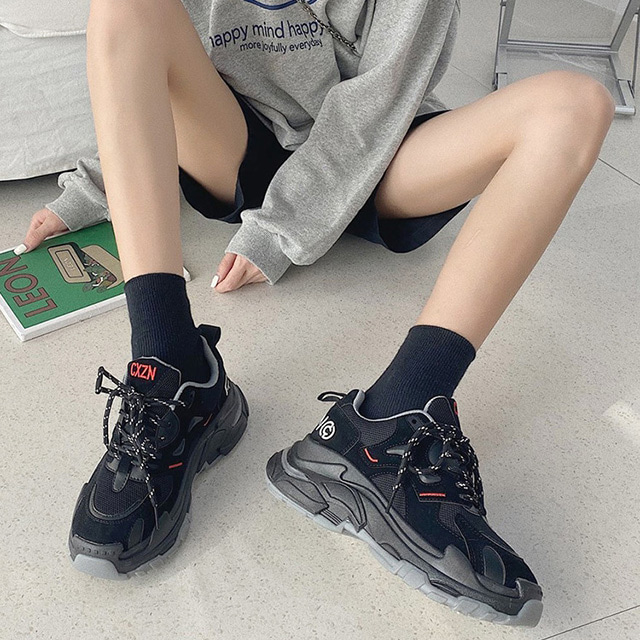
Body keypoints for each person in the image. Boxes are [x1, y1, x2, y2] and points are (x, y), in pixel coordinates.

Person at [22, 0, 614, 626]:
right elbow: (154, 50)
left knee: (574, 105)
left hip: (382, 153)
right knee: (125, 5)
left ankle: (390, 420)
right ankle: (171, 365)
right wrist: (92, 189)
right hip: (239, 139)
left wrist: (281, 228)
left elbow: (380, 100)